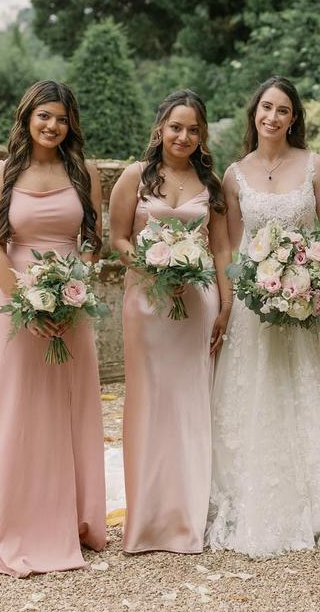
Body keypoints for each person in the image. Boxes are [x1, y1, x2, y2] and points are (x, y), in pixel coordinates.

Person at [207, 76, 320, 558]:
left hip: (307, 301)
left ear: (294, 118)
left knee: (307, 391)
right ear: (254, 113)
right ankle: (250, 498)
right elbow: (234, 246)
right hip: (253, 306)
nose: (273, 117)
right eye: (266, 107)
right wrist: (236, 298)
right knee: (258, 391)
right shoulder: (233, 174)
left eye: (283, 110)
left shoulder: (315, 166)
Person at [0, 80, 105, 576]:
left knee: (67, 407)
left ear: (71, 124)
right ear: (27, 117)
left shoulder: (84, 173)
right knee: (16, 408)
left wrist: (75, 292)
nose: (53, 126)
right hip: (13, 303)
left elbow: (91, 242)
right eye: (44, 116)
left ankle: (73, 518)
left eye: (62, 118)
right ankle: (15, 519)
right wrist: (29, 302)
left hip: (72, 303)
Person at [108, 90, 232, 554]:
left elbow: (220, 249)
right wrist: (150, 265)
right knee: (150, 401)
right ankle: (147, 519)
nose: (183, 136)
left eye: (193, 129)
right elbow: (117, 239)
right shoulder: (135, 178)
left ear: (201, 137)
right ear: (159, 128)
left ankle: (186, 517)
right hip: (146, 302)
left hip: (197, 302)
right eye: (175, 127)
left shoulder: (211, 183)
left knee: (190, 401)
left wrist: (226, 303)